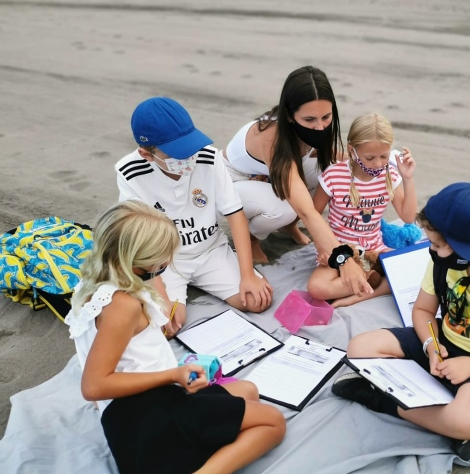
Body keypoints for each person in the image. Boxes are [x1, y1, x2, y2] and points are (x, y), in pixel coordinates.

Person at [332, 183, 470, 460]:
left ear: (461, 248)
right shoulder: (444, 259)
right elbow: (423, 310)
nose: (430, 249)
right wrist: (431, 346)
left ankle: (380, 400)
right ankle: (444, 422)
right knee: (360, 348)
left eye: (435, 243)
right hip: (443, 343)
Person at [64, 201, 286, 474]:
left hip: (143, 402)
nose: (168, 262)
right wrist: (173, 375)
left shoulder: (94, 283)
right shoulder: (124, 306)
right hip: (148, 409)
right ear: (138, 260)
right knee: (273, 422)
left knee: (247, 390)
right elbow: (94, 386)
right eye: (164, 256)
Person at [115, 97, 273, 337]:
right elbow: (139, 241)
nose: (189, 157)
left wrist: (248, 274)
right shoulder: (130, 173)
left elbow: (234, 213)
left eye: (190, 146)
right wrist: (163, 296)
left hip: (210, 250)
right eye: (177, 154)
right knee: (167, 325)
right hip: (165, 261)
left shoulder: (208, 158)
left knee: (256, 300)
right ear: (147, 154)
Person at [221, 66, 374, 299]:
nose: (320, 127)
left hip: (267, 175)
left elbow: (327, 155)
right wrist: (342, 259)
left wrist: (370, 161)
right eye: (310, 119)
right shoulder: (273, 137)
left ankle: (287, 226)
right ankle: (252, 237)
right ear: (290, 115)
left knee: (326, 169)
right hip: (232, 180)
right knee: (285, 207)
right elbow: (306, 210)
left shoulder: (313, 128)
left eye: (326, 117)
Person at [307, 112, 416, 307]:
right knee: (317, 288)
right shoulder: (334, 176)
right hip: (340, 250)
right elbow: (312, 216)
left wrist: (408, 178)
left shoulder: (390, 174)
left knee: (411, 269)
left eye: (384, 156)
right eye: (369, 157)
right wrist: (322, 248)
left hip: (375, 248)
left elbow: (408, 217)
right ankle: (376, 282)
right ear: (352, 150)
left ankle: (361, 292)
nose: (378, 163)